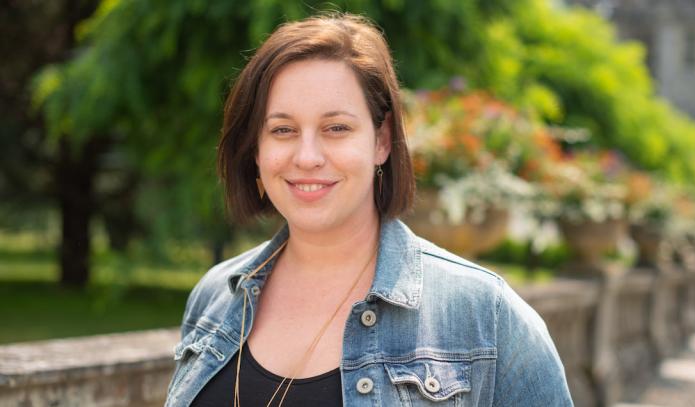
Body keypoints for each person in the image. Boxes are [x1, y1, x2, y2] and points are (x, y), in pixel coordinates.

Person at [165, 13, 573, 407]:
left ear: (381, 141)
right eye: (283, 130)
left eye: (336, 128)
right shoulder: (215, 296)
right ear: (256, 148)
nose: (307, 157)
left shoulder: (487, 316)